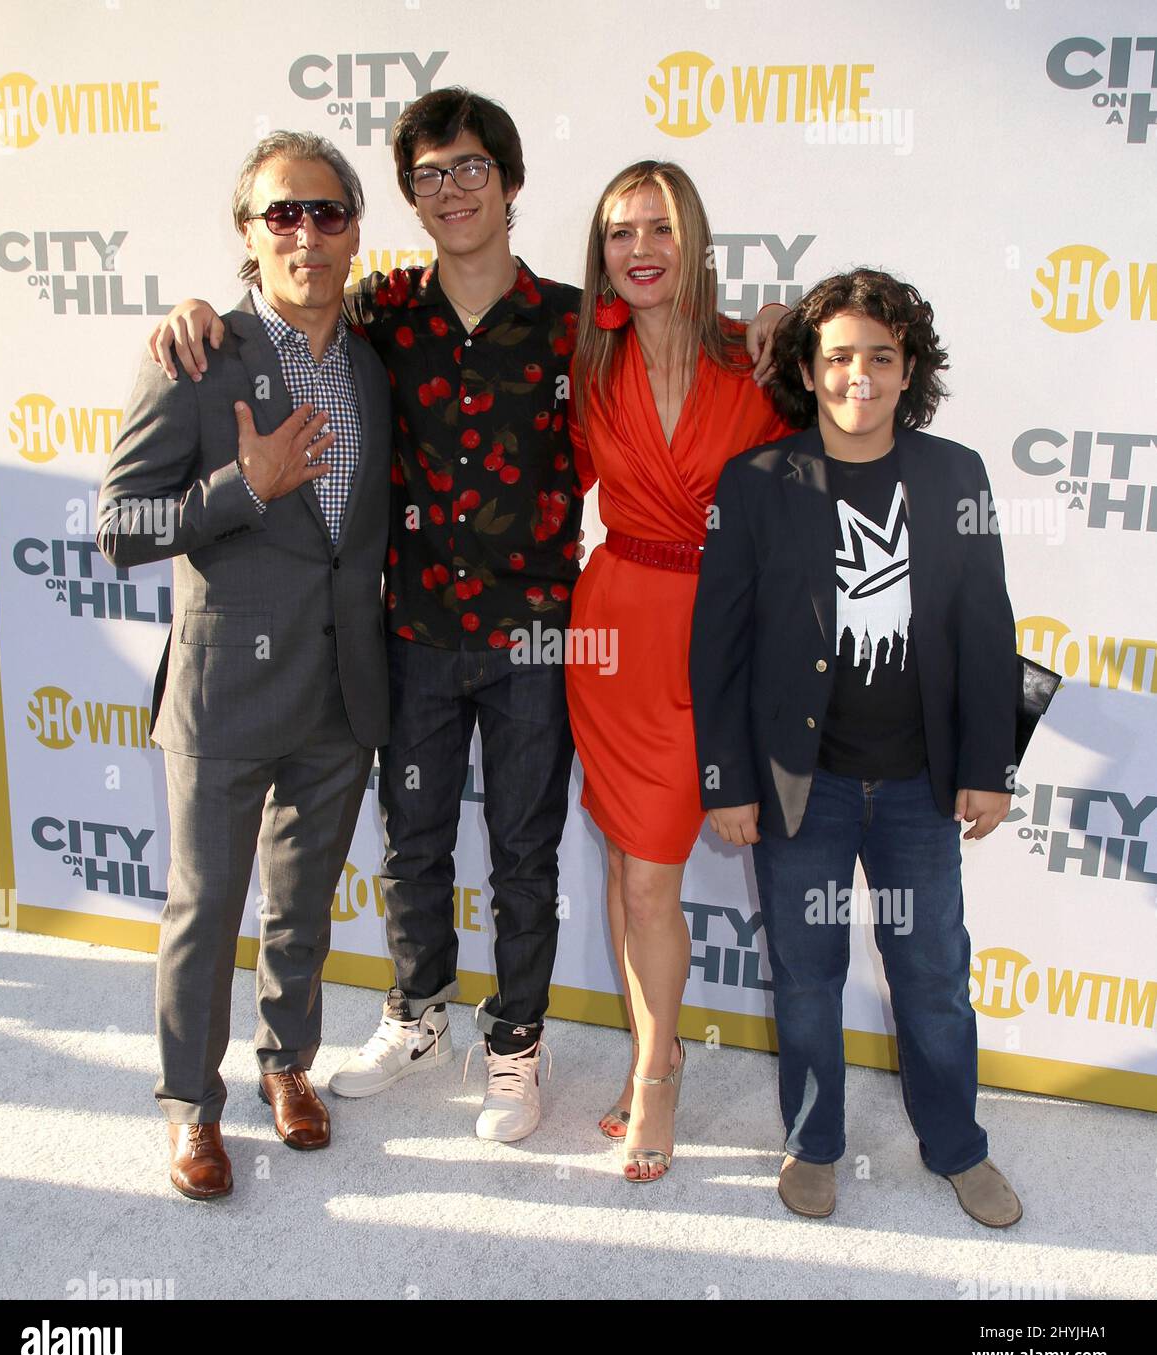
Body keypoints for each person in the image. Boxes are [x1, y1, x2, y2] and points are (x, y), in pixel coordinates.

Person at [147, 94, 789, 1145]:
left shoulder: (580, 325)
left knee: (526, 850)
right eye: (430, 175)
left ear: (512, 182)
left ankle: (517, 1046)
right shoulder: (381, 310)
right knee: (414, 844)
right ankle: (416, 1015)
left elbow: (690, 337)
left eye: (472, 168)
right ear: (410, 197)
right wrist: (194, 310)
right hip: (411, 629)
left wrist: (773, 325)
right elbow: (283, 304)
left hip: (541, 634)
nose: (452, 190)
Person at [690, 268, 1023, 1227]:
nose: (859, 376)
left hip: (921, 786)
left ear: (909, 368)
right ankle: (813, 1141)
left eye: (881, 356)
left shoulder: (954, 474)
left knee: (933, 978)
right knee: (806, 980)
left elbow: (987, 628)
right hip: (805, 786)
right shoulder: (757, 483)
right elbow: (720, 646)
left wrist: (988, 767)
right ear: (808, 368)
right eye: (839, 357)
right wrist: (728, 780)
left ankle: (958, 1147)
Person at [98, 131, 391, 1199]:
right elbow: (120, 528)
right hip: (224, 692)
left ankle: (286, 1064)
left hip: (340, 691)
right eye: (282, 214)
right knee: (206, 909)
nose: (306, 234)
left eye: (327, 212)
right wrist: (244, 486)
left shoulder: (374, 363)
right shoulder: (195, 355)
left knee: (301, 904)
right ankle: (190, 1106)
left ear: (354, 230)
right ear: (248, 233)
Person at [567, 161, 792, 1182]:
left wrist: (794, 331)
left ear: (693, 239)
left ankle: (654, 1071)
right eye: (621, 232)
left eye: (660, 227)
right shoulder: (586, 363)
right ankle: (654, 1063)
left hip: (723, 635)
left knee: (648, 874)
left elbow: (848, 429)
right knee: (634, 868)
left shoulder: (756, 358)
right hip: (613, 632)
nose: (641, 249)